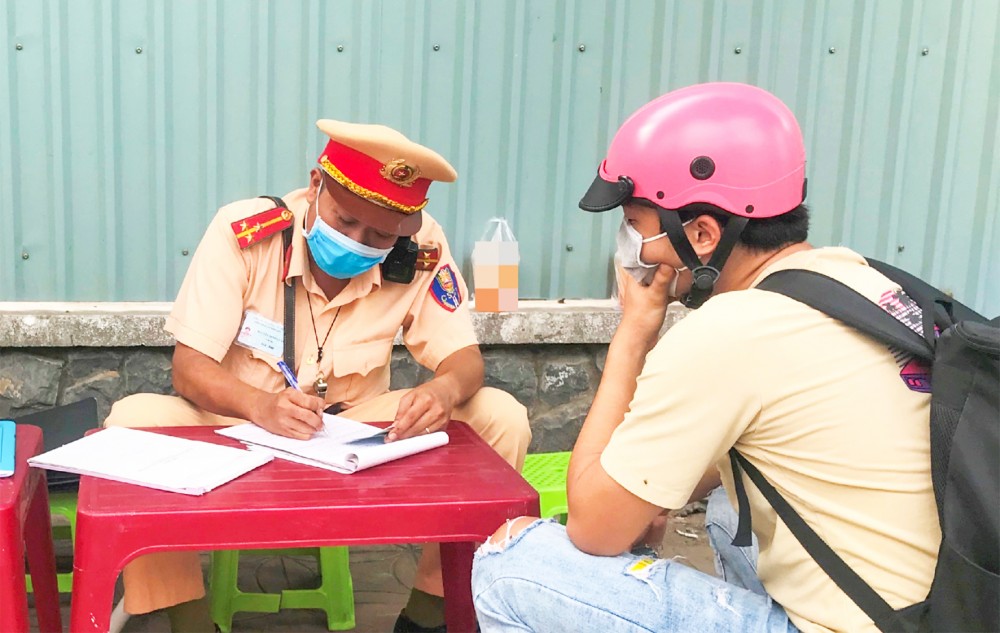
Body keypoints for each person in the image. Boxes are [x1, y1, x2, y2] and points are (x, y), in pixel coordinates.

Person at [471, 82, 938, 632]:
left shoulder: (729, 331)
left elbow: (594, 529)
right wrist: (649, 497)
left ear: (701, 233)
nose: (628, 244)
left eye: (634, 224)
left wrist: (632, 335)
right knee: (727, 509)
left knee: (514, 565)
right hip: (935, 611)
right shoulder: (865, 283)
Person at [105, 120, 531, 633]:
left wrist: (443, 388)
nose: (357, 241)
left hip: (355, 431)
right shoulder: (245, 232)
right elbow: (190, 369)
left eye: (379, 234)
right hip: (237, 425)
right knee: (132, 420)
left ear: (406, 228)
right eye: (344, 220)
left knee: (500, 416)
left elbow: (465, 359)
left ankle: (429, 612)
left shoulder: (421, 251)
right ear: (315, 184)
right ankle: (188, 619)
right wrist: (261, 407)